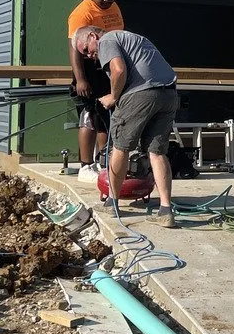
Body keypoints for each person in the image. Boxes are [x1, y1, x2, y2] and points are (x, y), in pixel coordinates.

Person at [72, 25, 179, 227]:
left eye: (86, 49)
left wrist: (113, 97)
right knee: (157, 152)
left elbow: (119, 69)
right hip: (169, 93)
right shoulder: (132, 37)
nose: (88, 55)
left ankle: (112, 202)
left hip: (141, 94)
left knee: (121, 147)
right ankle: (166, 210)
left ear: (93, 36)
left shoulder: (107, 40)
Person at [67, 0, 123, 172]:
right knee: (89, 114)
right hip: (89, 66)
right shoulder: (82, 13)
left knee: (105, 116)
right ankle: (85, 164)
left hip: (107, 65)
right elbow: (74, 48)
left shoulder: (113, 6)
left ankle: (103, 160)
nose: (107, 0)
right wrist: (81, 79)